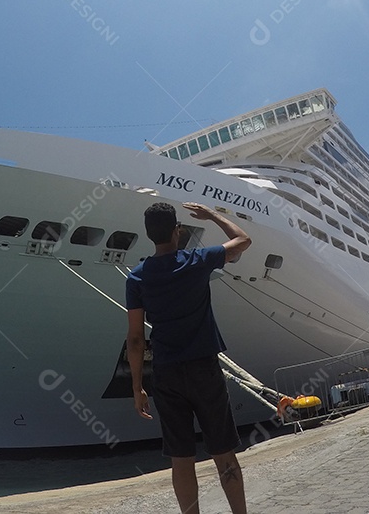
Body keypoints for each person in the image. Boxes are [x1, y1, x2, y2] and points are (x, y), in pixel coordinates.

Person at [125, 201, 252, 514]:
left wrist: (137, 386)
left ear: (148, 235)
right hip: (204, 370)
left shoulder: (137, 278)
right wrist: (211, 215)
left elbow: (136, 339)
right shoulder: (198, 260)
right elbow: (243, 241)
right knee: (223, 452)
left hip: (166, 374)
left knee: (181, 460)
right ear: (177, 231)